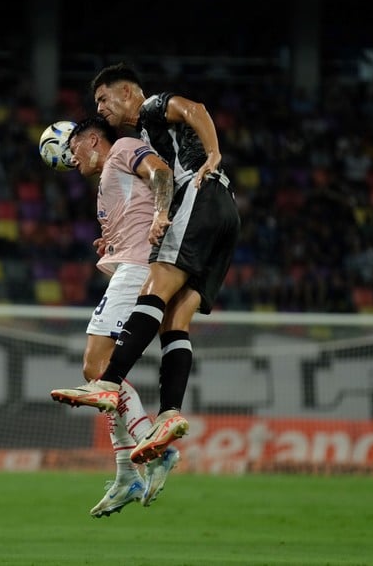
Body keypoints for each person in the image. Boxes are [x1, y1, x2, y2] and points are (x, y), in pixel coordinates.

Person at [51, 63, 241, 467]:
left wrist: (213, 153)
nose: (99, 108)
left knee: (154, 286)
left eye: (103, 98)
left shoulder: (152, 107)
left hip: (199, 194)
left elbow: (194, 109)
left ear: (127, 92)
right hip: (226, 215)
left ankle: (108, 381)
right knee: (176, 318)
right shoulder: (143, 137)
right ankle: (169, 413)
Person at [62, 116, 181, 517]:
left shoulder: (123, 148)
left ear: (93, 139)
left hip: (138, 269)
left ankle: (154, 449)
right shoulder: (111, 176)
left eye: (74, 148)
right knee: (102, 374)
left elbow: (160, 173)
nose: (71, 158)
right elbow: (137, 209)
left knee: (97, 368)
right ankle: (127, 472)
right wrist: (111, 240)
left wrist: (160, 215)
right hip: (131, 265)